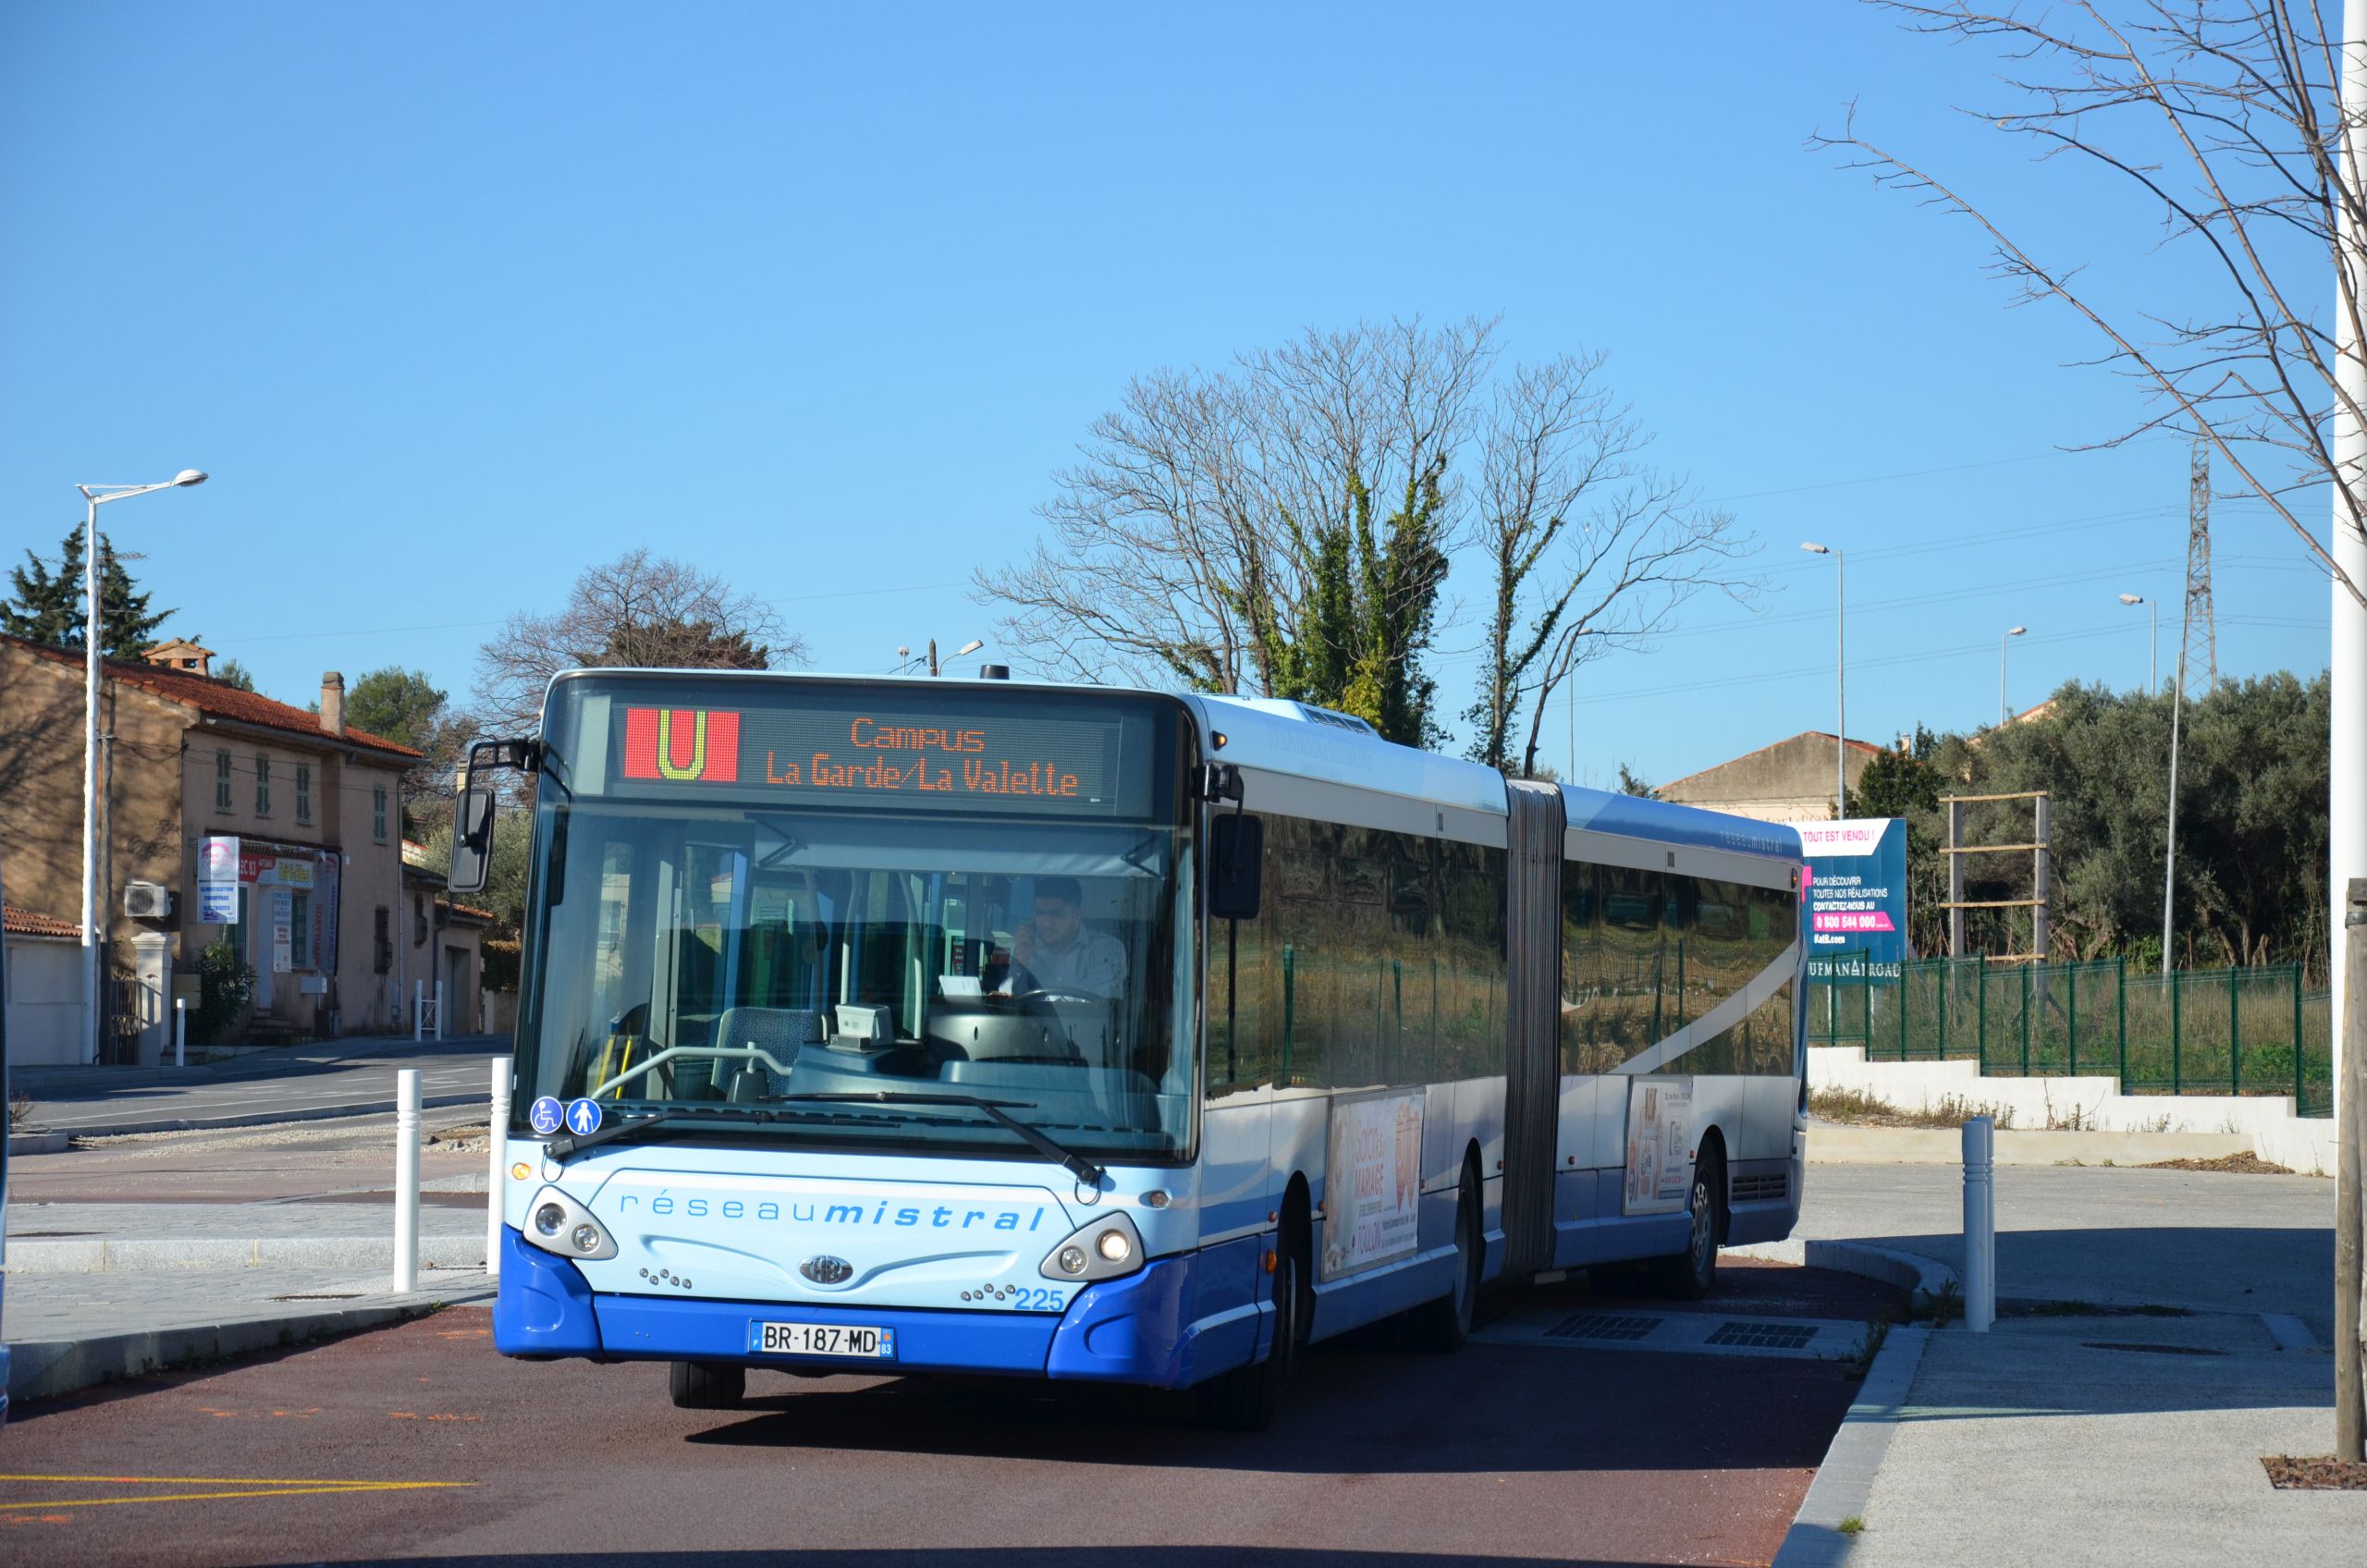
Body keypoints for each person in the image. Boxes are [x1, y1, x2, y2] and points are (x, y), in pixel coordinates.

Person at [1000, 876, 1126, 998]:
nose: (1046, 923)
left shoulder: (1107, 949)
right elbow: (1003, 998)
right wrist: (1021, 963)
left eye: (1055, 914)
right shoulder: (1026, 948)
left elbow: (1091, 999)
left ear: (1078, 913)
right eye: (1040, 913)